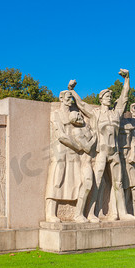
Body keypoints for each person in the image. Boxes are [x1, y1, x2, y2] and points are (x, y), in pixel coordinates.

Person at [71, 69, 135, 221]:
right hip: (101, 153)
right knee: (97, 183)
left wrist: (127, 79)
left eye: (110, 96)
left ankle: (121, 213)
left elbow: (124, 97)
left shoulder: (116, 113)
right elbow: (80, 104)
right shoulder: (95, 113)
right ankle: (92, 213)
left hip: (115, 153)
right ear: (101, 99)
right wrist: (72, 91)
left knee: (118, 183)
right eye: (106, 96)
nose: (109, 98)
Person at [45, 90, 87, 222]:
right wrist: (78, 146)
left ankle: (75, 212)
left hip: (73, 152)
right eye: (69, 97)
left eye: (71, 98)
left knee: (75, 180)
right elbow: (61, 135)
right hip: (60, 150)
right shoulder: (55, 114)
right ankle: (50, 213)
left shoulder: (74, 114)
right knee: (57, 179)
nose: (70, 100)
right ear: (61, 98)